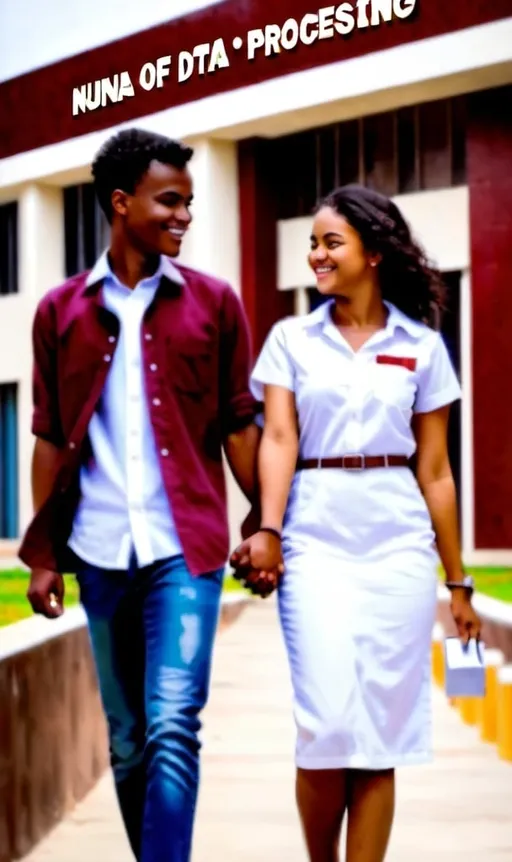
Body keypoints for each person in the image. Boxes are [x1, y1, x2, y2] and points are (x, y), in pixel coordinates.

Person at [20, 128, 261, 862]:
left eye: (189, 201)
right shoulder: (58, 313)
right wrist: (44, 555)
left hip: (183, 552)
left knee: (171, 725)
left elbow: (238, 426)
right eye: (170, 201)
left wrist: (267, 519)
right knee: (128, 741)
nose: (185, 215)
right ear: (122, 204)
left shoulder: (216, 305)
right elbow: (52, 439)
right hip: (97, 551)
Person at [231, 184, 481, 862]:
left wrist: (458, 586)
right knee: (327, 722)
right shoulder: (291, 339)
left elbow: (435, 470)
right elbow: (278, 439)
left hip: (398, 545)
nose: (315, 254)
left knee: (381, 732)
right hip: (314, 540)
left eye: (330, 242)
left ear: (372, 252)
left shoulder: (423, 347)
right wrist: (272, 531)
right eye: (312, 242)